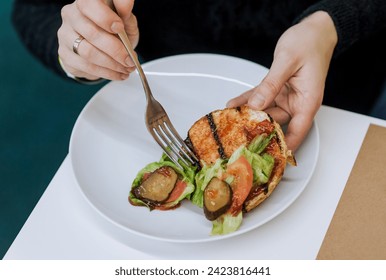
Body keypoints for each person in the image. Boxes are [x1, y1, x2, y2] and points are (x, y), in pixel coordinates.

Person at [12, 0, 386, 152]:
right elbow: (33, 8)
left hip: (331, 77)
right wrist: (81, 46)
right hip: (175, 80)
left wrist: (334, 22)